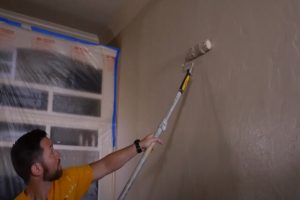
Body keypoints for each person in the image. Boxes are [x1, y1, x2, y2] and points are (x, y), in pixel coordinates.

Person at [10, 129, 162, 200]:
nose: (58, 155)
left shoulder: (67, 180)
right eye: (51, 152)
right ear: (36, 169)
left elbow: (105, 165)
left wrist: (139, 145)